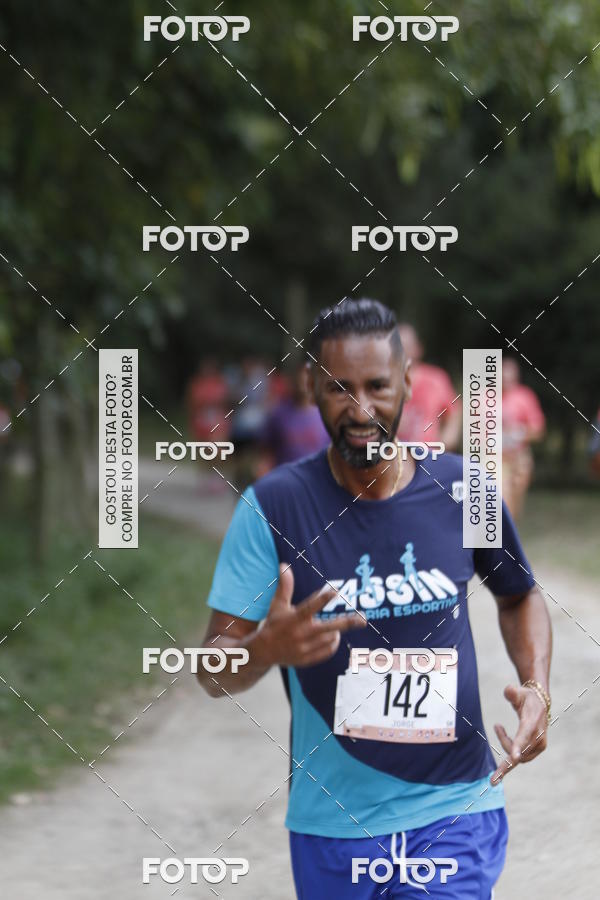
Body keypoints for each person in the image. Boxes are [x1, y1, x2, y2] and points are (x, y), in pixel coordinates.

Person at [198, 298, 552, 899]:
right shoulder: (273, 506)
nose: (360, 409)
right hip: (334, 823)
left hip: (454, 810)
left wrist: (537, 685)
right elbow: (211, 669)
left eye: (377, 386)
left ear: (408, 385)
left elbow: (518, 595)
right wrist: (263, 649)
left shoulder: (466, 490)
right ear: (310, 388)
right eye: (339, 388)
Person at [395, 323, 461, 450]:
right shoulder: (381, 383)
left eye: (406, 346)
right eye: (397, 346)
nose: (401, 351)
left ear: (418, 349)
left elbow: (454, 412)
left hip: (428, 459)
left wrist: (445, 442)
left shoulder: (436, 379)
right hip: (391, 459)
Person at [261, 361, 329, 469]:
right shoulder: (279, 414)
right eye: (300, 379)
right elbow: (266, 449)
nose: (302, 384)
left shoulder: (327, 415)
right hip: (285, 478)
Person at [501, 357, 545, 520]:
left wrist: (519, 433)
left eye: (509, 375)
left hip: (519, 458)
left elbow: (538, 430)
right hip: (495, 458)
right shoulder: (486, 397)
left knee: (514, 508)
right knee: (501, 500)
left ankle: (508, 538)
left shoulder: (525, 396)